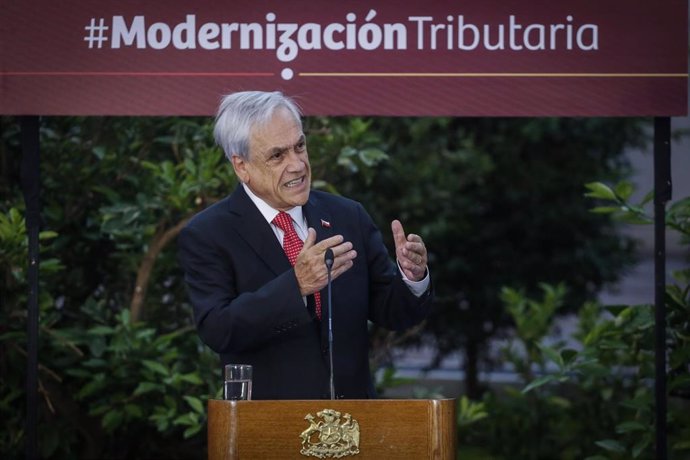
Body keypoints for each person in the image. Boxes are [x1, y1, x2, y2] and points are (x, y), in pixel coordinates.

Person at [177, 91, 432, 399]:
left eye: (300, 146)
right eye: (277, 156)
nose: (297, 165)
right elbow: (219, 329)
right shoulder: (208, 233)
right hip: (271, 426)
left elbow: (392, 312)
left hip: (351, 424)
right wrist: (295, 286)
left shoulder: (347, 216)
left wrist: (413, 278)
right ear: (241, 166)